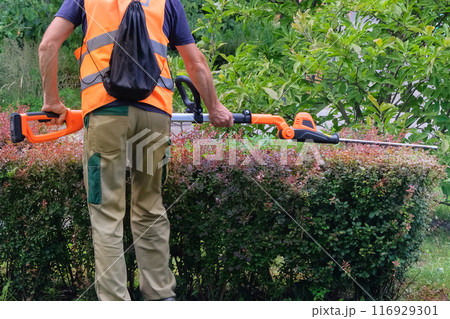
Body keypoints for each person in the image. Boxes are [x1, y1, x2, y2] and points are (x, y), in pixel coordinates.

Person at [39, 0, 233, 301]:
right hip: (152, 117)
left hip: (106, 116)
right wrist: (215, 108)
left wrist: (52, 101)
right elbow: (195, 63)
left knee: (106, 212)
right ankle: (159, 296)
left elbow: (48, 44)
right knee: (149, 205)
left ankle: (116, 304)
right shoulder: (168, 2)